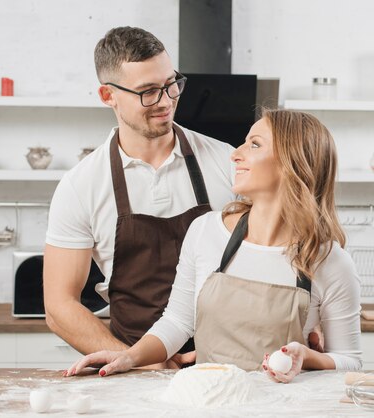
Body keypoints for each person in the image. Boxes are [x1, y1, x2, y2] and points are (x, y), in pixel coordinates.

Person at [65, 109, 362, 383]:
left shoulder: (329, 262)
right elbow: (178, 321)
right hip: (208, 401)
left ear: (291, 164)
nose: (236, 155)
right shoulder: (206, 230)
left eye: (254, 145)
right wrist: (129, 356)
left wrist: (309, 358)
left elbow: (350, 361)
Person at [43, 26, 235, 363]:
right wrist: (138, 360)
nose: (165, 101)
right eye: (147, 91)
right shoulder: (81, 186)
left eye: (171, 84)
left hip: (228, 363)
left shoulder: (227, 163)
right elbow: (59, 307)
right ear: (108, 96)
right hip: (133, 372)